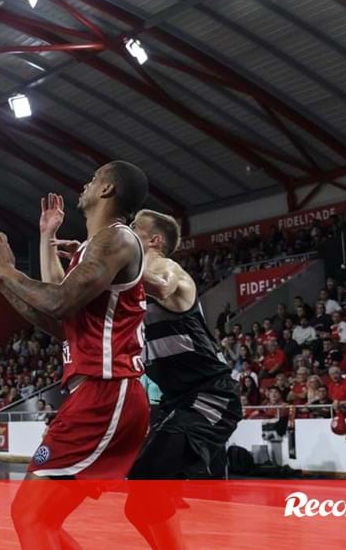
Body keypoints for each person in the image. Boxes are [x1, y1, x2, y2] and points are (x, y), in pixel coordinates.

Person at [0, 163, 151, 550]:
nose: (85, 183)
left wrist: (10, 270)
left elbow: (58, 301)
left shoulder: (118, 238)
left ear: (107, 190)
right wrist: (3, 282)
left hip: (107, 393)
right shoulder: (93, 248)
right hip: (96, 396)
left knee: (31, 516)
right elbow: (58, 322)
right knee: (38, 519)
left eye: (94, 178)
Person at [120, 210, 241, 550]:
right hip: (176, 400)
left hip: (210, 395)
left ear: (154, 241)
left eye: (133, 230)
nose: (125, 234)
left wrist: (113, 260)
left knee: (145, 485)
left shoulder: (170, 270)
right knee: (136, 505)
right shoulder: (131, 287)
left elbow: (163, 285)